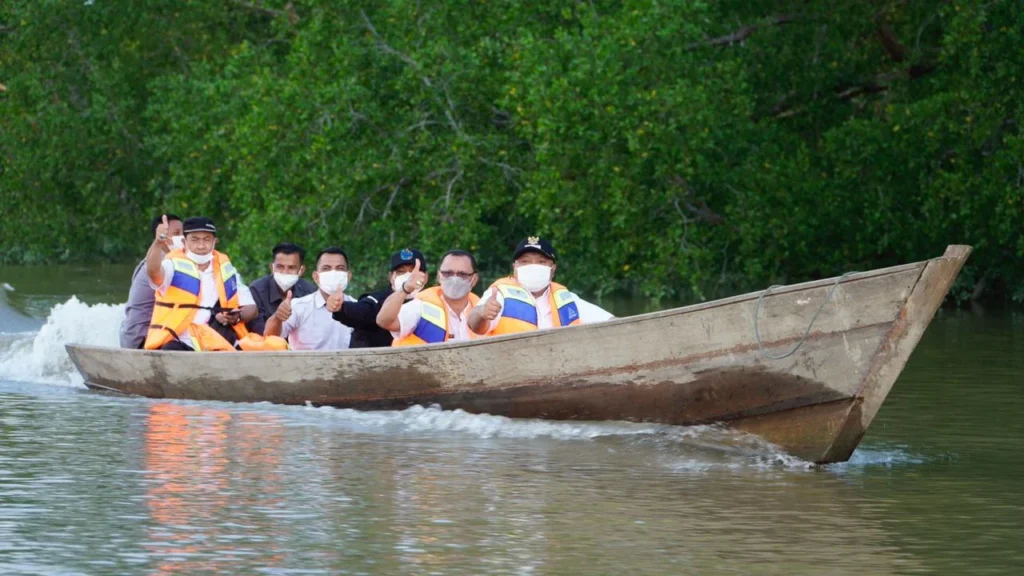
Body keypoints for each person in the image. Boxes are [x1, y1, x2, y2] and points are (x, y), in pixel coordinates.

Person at [144, 216, 258, 351]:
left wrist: (236, 317)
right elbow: (153, 272)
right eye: (195, 239)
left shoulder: (227, 270)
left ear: (215, 242)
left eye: (207, 239)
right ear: (184, 241)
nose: (201, 245)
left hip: (216, 341)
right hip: (178, 340)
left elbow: (252, 308)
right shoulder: (172, 265)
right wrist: (158, 242)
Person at [468, 236, 613, 337]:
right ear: (515, 267)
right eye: (525, 261)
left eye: (541, 262)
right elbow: (474, 325)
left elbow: (610, 322)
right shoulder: (499, 294)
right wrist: (482, 313)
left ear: (553, 268)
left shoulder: (566, 298)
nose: (533, 267)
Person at [377, 249, 481, 346]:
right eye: (448, 273)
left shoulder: (483, 311)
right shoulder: (421, 307)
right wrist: (405, 288)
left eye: (462, 274)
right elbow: (384, 321)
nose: (454, 278)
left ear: (474, 279)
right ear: (439, 276)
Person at [332, 247, 428, 348]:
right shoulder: (378, 300)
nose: (409, 277)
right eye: (401, 271)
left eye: (413, 272)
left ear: (425, 277)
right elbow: (362, 311)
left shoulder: (432, 302)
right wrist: (341, 308)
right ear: (391, 277)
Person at [264, 247, 356, 350]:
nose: (333, 273)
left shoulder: (358, 308)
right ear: (316, 277)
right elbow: (269, 338)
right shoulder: (298, 307)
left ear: (348, 276)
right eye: (326, 268)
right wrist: (277, 317)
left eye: (339, 268)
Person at [119, 214, 183, 349]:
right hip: (141, 339)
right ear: (161, 235)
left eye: (184, 233)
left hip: (151, 334)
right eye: (177, 233)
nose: (182, 238)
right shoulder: (164, 262)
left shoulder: (177, 259)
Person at [246, 242, 317, 335]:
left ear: (301, 270)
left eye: (291, 268)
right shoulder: (257, 290)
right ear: (272, 267)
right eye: (280, 267)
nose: (285, 272)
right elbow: (258, 330)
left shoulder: (310, 292)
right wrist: (277, 318)